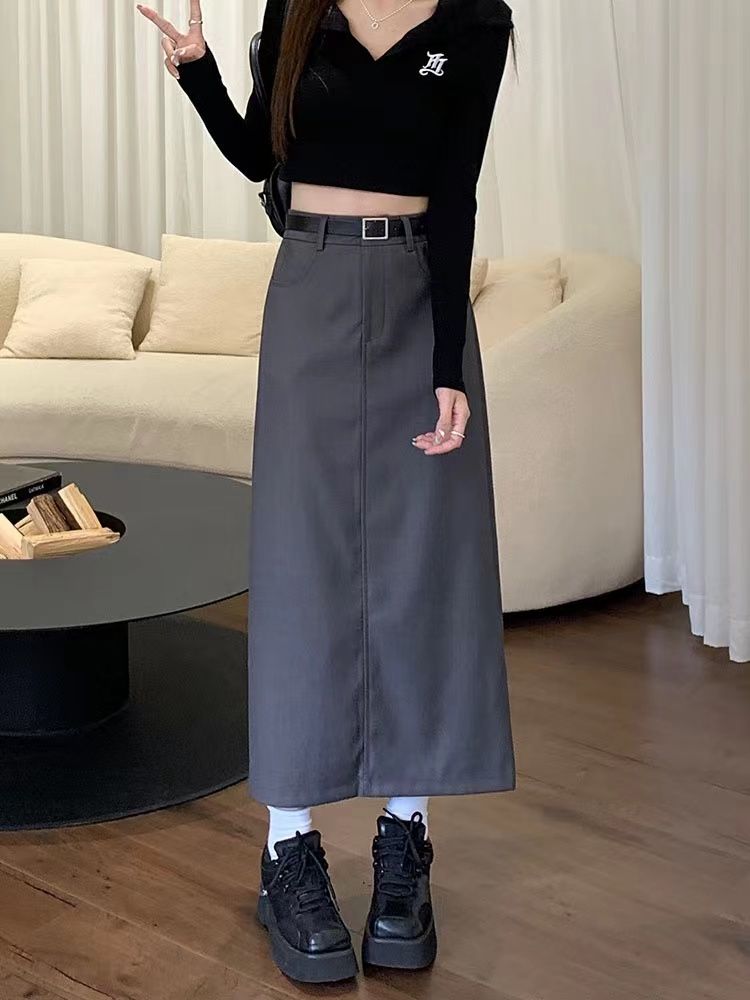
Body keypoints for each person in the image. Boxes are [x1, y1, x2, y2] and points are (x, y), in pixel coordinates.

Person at [138, 0, 517, 984]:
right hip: (309, 286)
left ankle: (405, 840)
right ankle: (288, 848)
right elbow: (257, 154)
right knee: (302, 567)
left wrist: (447, 364)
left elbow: (457, 193)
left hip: (417, 298)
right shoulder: (299, 5)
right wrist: (198, 70)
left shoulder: (475, 24)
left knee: (421, 570)